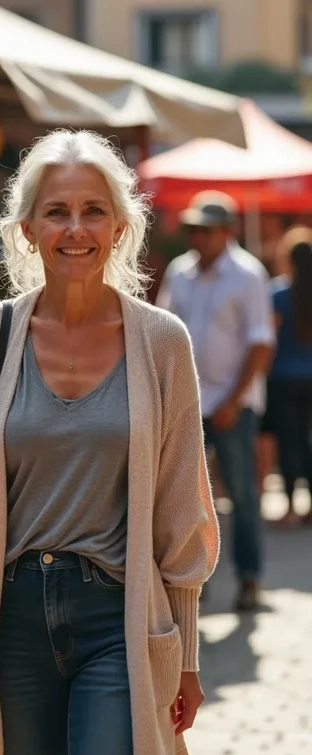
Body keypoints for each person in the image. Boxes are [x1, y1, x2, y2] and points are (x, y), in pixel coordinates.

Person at [0, 131, 219, 755]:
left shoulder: (162, 342)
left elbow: (182, 514)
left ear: (119, 225)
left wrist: (188, 656)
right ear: (25, 229)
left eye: (93, 210)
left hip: (118, 614)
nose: (75, 229)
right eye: (56, 211)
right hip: (13, 618)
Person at [158, 191, 274, 612]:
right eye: (193, 229)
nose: (198, 237)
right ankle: (191, 579)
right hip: (186, 403)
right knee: (183, 496)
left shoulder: (247, 274)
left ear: (227, 232)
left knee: (241, 494)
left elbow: (260, 343)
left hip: (232, 404)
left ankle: (248, 578)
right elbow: (161, 332)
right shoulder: (180, 272)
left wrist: (233, 399)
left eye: (205, 230)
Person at [268, 227, 312, 527]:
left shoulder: (279, 293)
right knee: (308, 442)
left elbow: (269, 337)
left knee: (288, 443)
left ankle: (291, 506)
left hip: (283, 378)